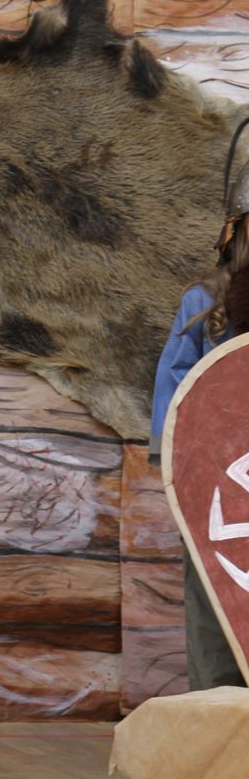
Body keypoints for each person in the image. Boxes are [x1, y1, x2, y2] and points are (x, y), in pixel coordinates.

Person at [149, 123, 249, 691]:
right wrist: (182, 477)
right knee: (217, 603)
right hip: (222, 490)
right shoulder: (203, 306)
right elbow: (177, 405)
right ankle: (219, 721)